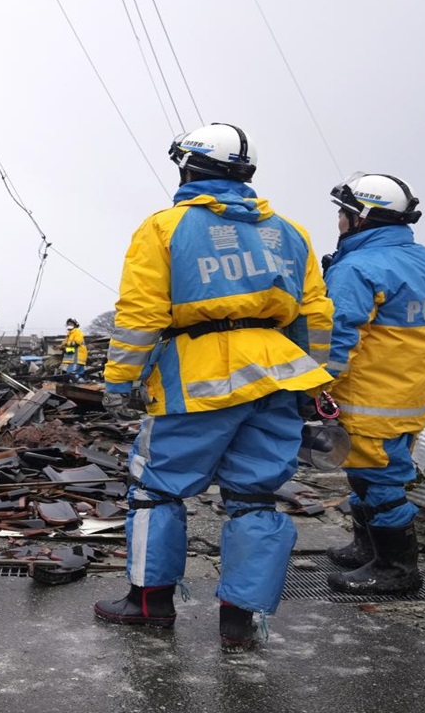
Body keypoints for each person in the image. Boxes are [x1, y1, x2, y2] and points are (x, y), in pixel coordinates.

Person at [96, 123, 334, 653]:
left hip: (197, 377)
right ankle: (240, 621)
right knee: (255, 496)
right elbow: (316, 315)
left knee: (157, 489)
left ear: (188, 168)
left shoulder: (165, 227)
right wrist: (314, 378)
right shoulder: (290, 232)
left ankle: (149, 602)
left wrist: (120, 379)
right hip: (277, 374)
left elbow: (141, 314)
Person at [322, 173, 425, 596]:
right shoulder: (424, 259)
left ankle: (396, 568)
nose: (339, 220)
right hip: (410, 396)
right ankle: (368, 549)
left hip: (371, 398)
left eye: (344, 212)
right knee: (367, 473)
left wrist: (314, 388)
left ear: (362, 218)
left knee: (379, 482)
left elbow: (338, 340)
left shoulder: (357, 268)